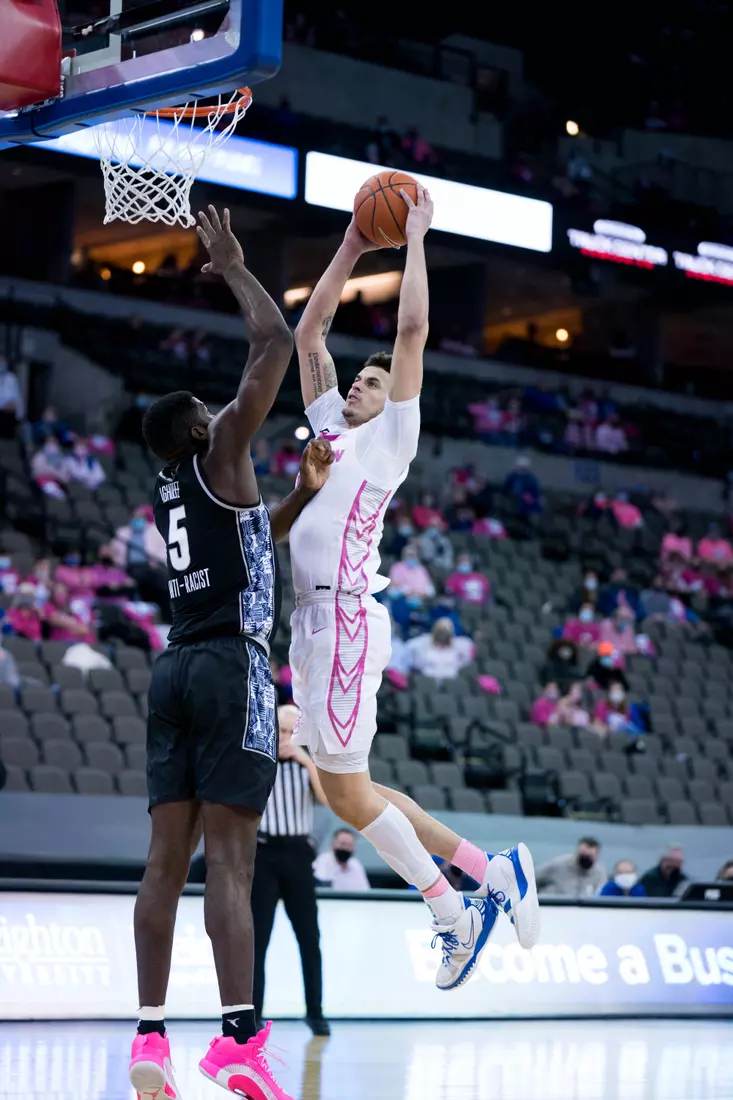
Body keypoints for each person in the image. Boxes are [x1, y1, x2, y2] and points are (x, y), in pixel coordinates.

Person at [288, 186, 539, 994]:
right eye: (355, 384)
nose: (359, 387)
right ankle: (484, 868)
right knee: (341, 791)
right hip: (312, 622)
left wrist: (416, 238)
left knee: (348, 794)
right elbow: (308, 331)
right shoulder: (329, 429)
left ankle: (450, 908)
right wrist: (355, 244)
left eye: (370, 382)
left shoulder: (389, 439)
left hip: (346, 619)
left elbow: (412, 330)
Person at [129, 206, 333, 1100]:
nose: (224, 411)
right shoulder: (220, 450)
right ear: (201, 430)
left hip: (172, 666)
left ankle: (147, 1040)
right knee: (233, 864)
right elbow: (276, 343)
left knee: (162, 865)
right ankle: (239, 1042)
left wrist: (290, 499)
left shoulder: (180, 485)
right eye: (212, 412)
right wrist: (235, 266)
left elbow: (247, 546)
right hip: (229, 667)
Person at [251, 705, 330, 1037]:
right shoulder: (257, 762)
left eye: (290, 733)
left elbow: (328, 800)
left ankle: (315, 1012)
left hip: (298, 854)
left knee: (309, 938)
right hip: (263, 853)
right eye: (280, 732)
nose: (284, 739)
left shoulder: (307, 766)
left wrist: (306, 761)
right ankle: (252, 1014)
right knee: (257, 940)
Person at [535, 838, 606, 898]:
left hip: (584, 911)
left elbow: (601, 894)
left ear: (597, 856)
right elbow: (533, 880)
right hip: (555, 908)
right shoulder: (557, 865)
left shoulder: (599, 873)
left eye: (591, 856)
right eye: (584, 855)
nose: (587, 859)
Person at [313, 828, 371, 892]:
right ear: (333, 845)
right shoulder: (321, 862)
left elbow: (365, 892)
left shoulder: (356, 865)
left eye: (350, 845)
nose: (345, 848)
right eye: (343, 844)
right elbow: (321, 887)